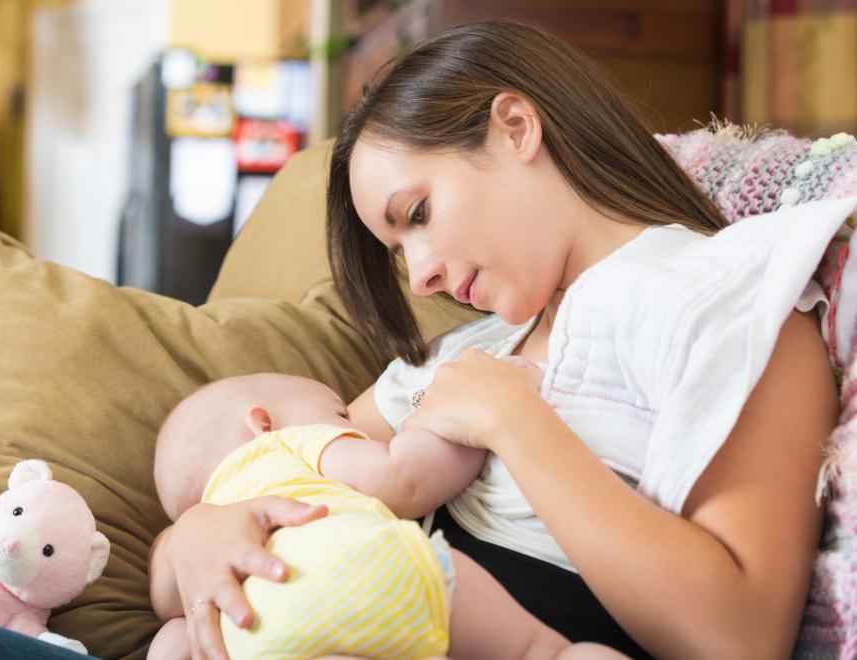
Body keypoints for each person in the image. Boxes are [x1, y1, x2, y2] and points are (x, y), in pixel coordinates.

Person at [157, 18, 841, 660]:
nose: (420, 277)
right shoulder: (459, 357)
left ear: (516, 127)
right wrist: (194, 539)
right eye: (399, 250)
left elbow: (740, 636)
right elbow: (265, 464)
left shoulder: (731, 296)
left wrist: (515, 421)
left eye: (418, 214)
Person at [148, 372, 622, 659]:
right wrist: (444, 421)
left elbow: (171, 617)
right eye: (341, 415)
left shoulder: (200, 570)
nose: (355, 428)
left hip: (262, 638)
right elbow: (404, 477)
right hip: (371, 570)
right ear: (262, 422)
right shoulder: (286, 445)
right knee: (541, 653)